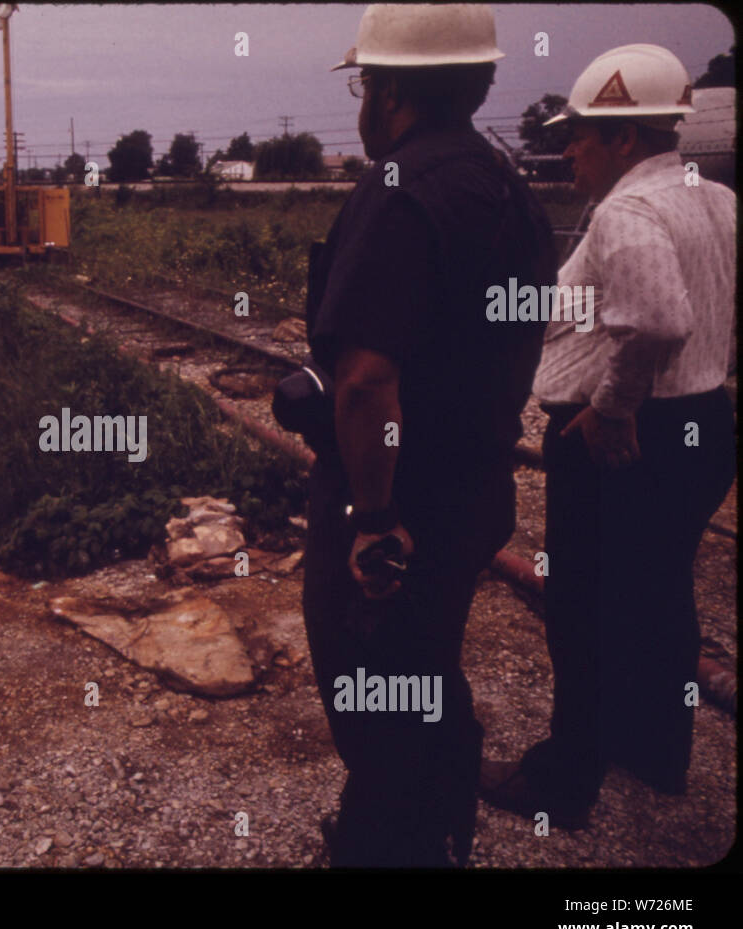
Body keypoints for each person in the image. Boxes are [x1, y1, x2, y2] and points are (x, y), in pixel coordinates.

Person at [302, 3, 556, 867]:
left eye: (364, 83)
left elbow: (368, 380)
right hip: (473, 487)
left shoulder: (399, 188)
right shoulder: (510, 188)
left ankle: (389, 847)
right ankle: (440, 829)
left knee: (373, 696)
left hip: (397, 505)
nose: (362, 102)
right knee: (428, 667)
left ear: (391, 90)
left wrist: (372, 517)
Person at [481, 44, 737, 828]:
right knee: (658, 595)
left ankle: (563, 780)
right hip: (702, 425)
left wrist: (615, 406)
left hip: (625, 437)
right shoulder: (717, 198)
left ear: (625, 138)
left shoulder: (629, 211)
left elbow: (657, 318)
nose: (568, 149)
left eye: (581, 134)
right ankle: (655, 752)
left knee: (584, 608)